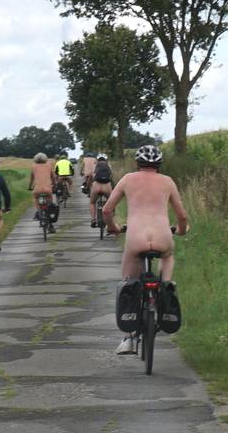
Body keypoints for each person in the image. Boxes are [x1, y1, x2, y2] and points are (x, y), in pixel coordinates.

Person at [103, 144, 188, 354]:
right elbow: (182, 216)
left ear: (137, 163)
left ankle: (128, 339)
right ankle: (166, 288)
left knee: (129, 283)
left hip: (136, 238)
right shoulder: (167, 181)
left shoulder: (128, 180)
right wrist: (182, 230)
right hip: (162, 237)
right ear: (159, 164)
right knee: (168, 256)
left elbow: (107, 210)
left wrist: (113, 227)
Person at [27, 152, 57, 232]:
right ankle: (50, 225)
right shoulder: (49, 165)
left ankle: (38, 211)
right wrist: (54, 185)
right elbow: (53, 178)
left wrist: (29, 187)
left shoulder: (33, 166)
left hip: (37, 189)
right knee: (50, 204)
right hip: (48, 189)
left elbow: (31, 179)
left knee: (35, 197)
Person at [88, 153, 114, 227]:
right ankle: (111, 221)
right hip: (107, 186)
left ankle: (93, 219)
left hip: (96, 186)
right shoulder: (109, 166)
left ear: (97, 159)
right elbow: (111, 178)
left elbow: (90, 177)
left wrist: (88, 185)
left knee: (92, 203)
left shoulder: (95, 166)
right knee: (111, 202)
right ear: (106, 160)